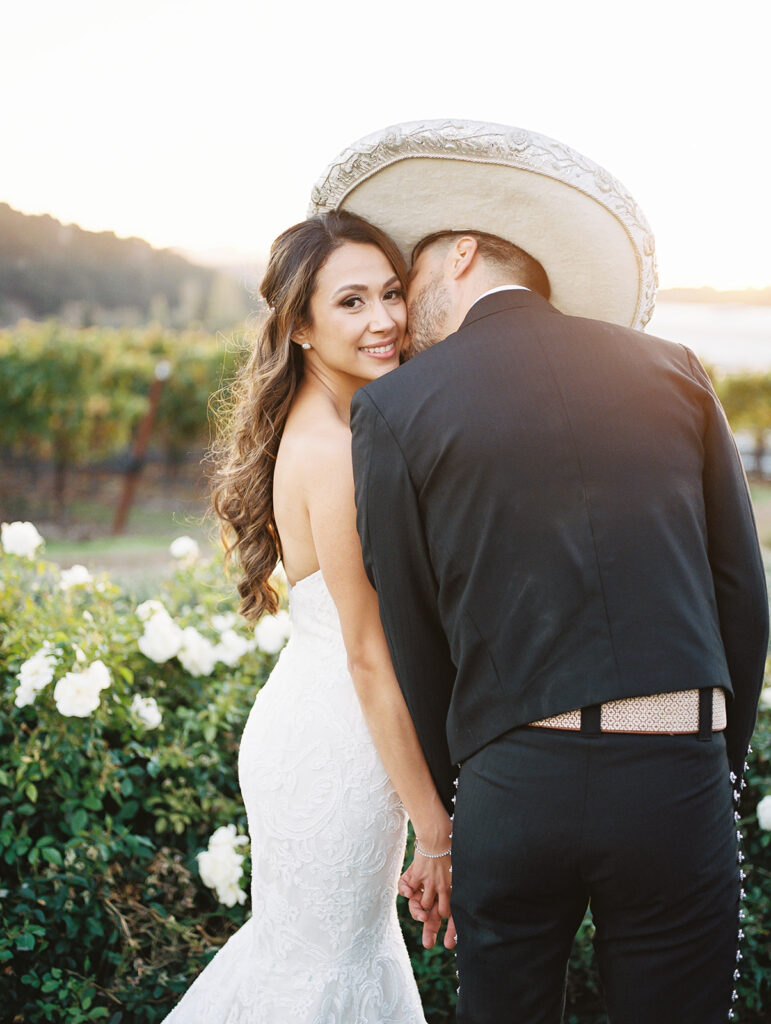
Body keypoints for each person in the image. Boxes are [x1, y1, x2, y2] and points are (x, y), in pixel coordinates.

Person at [309, 120, 770, 1023]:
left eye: (411, 283)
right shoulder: (673, 369)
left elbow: (412, 625)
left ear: (465, 255)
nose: (405, 317)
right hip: (673, 769)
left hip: (512, 783)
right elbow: (740, 591)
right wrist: (716, 751)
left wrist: (461, 788)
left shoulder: (396, 409)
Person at [161, 210, 452, 1024]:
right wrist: (435, 832)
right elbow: (368, 655)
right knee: (324, 970)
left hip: (317, 725)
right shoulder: (335, 450)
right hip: (340, 746)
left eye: (392, 293)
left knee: (313, 959)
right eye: (351, 303)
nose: (387, 319)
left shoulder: (338, 423)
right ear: (299, 326)